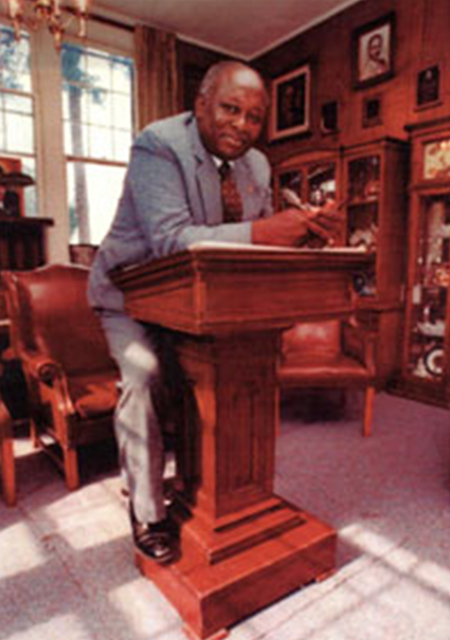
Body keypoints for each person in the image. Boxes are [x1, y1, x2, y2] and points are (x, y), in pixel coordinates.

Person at [88, 60, 341, 564]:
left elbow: (256, 244)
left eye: (253, 117)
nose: (242, 126)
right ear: (200, 104)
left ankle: (223, 495)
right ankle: (147, 509)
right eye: (230, 109)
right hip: (130, 292)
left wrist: (303, 230)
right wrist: (267, 232)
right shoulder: (157, 144)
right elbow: (168, 239)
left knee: (230, 376)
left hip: (204, 300)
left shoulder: (260, 166)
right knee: (143, 379)